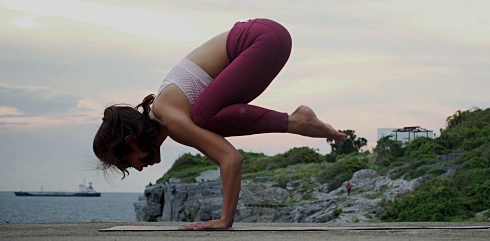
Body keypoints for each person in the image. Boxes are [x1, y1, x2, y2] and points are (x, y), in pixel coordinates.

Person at [93, 18, 347, 230]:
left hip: (261, 39)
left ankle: (297, 121)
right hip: (268, 37)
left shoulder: (168, 114)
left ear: (131, 141)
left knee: (204, 117)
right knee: (205, 118)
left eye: (128, 162)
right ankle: (298, 120)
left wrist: (225, 220)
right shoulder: (170, 117)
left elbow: (230, 159)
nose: (137, 169)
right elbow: (227, 151)